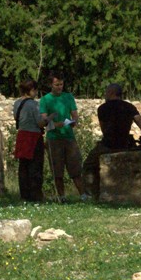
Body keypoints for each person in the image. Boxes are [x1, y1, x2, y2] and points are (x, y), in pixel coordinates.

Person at [82, 83, 141, 197]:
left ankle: (91, 194)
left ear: (111, 93)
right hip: (125, 144)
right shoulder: (129, 107)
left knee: (88, 164)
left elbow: (104, 130)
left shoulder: (102, 108)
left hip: (108, 145)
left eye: (106, 92)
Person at [38, 72, 89, 202]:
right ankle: (62, 196)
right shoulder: (45, 100)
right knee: (57, 169)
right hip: (53, 138)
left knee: (75, 167)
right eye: (57, 84)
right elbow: (44, 119)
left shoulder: (68, 97)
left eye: (61, 84)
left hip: (68, 136)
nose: (59, 87)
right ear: (51, 85)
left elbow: (75, 114)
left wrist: (74, 121)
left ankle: (83, 194)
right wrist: (55, 124)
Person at [12, 79, 48, 202]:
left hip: (22, 136)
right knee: (35, 166)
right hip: (33, 137)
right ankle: (35, 195)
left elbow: (15, 117)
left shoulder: (16, 103)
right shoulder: (34, 105)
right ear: (32, 90)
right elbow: (40, 122)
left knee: (23, 167)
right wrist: (47, 119)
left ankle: (24, 195)